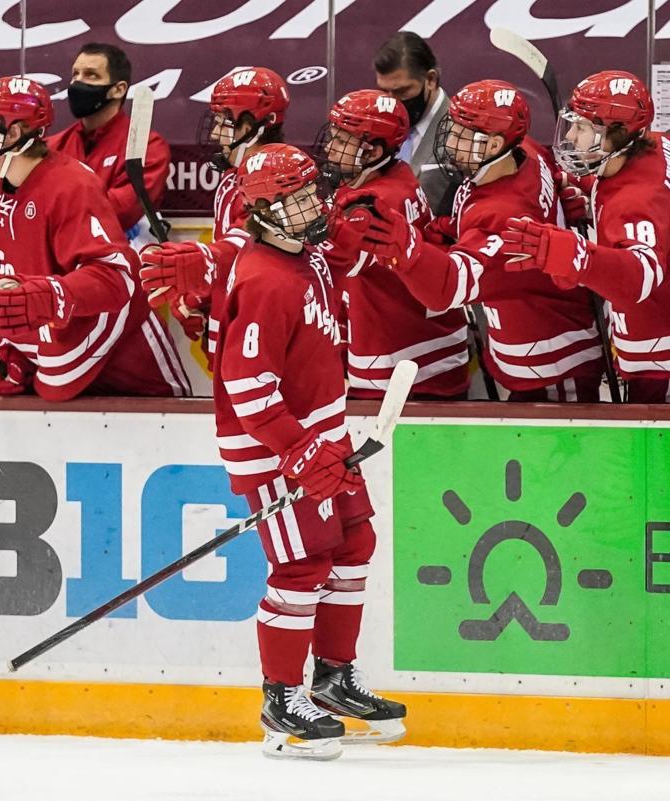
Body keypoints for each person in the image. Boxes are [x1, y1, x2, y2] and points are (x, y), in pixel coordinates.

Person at [213, 142, 405, 761]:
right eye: (290, 201)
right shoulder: (265, 280)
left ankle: (332, 680)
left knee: (355, 545)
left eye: (307, 194)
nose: (306, 208)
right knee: (300, 571)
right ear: (261, 213)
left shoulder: (308, 256)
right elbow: (247, 388)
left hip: (321, 439)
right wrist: (297, 452)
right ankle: (281, 701)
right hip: (278, 453)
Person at [349, 80, 607, 401]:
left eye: (461, 134)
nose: (449, 141)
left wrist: (407, 248)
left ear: (494, 145)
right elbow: (553, 173)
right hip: (541, 348)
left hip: (553, 365)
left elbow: (445, 289)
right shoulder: (524, 150)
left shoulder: (503, 216)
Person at [0, 75, 190, 400]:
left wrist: (50, 296)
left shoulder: (71, 185)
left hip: (128, 366)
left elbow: (116, 279)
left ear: (13, 133)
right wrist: (16, 344)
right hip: (52, 353)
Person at [503, 70, 670, 402]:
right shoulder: (656, 143)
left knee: (649, 454)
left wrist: (577, 257)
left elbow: (639, 276)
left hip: (659, 358)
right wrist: (591, 189)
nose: (572, 137)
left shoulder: (635, 202)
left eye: (582, 128)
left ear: (618, 135)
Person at [316, 89, 469, 399]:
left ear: (373, 152)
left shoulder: (378, 202)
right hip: (424, 349)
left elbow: (331, 261)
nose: (331, 148)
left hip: (401, 365)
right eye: (333, 137)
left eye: (342, 142)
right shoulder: (396, 176)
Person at [139, 67, 290, 360]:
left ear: (252, 126)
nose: (215, 132)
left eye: (224, 121)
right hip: (234, 311)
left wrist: (198, 267)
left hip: (263, 321)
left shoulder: (279, 174)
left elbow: (253, 244)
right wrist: (202, 297)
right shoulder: (234, 175)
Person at [45, 42, 170, 242]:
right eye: (75, 74)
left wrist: (58, 205)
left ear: (119, 89)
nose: (77, 82)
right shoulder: (52, 147)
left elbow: (122, 210)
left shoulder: (146, 146)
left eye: (91, 75)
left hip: (122, 259)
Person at [374, 31, 454, 214]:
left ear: (431, 79)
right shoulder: (376, 124)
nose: (392, 102)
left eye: (402, 91)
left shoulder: (458, 134)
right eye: (384, 91)